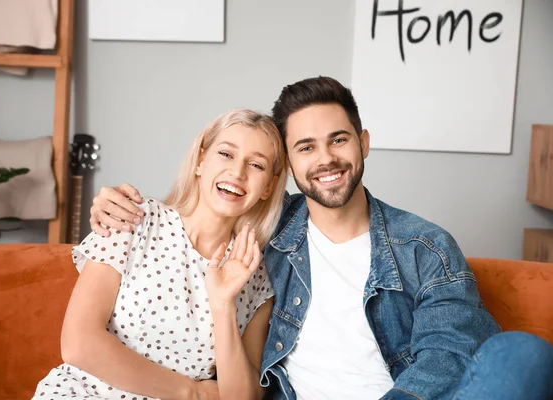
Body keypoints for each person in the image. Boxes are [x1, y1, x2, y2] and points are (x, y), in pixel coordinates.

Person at [89, 77, 553, 400]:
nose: (326, 159)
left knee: (524, 354)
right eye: (306, 147)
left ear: (363, 143)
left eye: (339, 140)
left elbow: (449, 355)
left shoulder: (425, 247)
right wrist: (120, 205)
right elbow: (203, 207)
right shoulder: (263, 236)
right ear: (287, 167)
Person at [33, 108, 288, 400]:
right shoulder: (131, 219)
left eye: (256, 165)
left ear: (268, 186)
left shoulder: (255, 277)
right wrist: (192, 392)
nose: (238, 172)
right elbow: (78, 343)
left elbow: (242, 397)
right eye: (226, 154)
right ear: (201, 161)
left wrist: (222, 304)